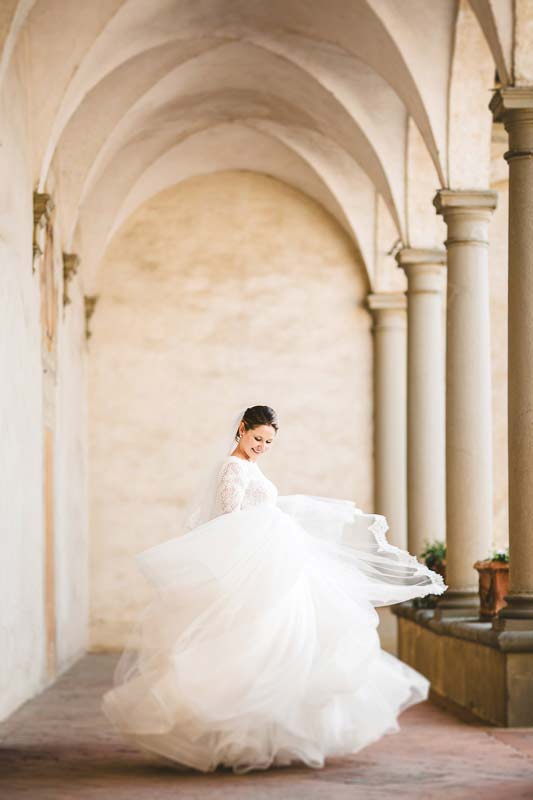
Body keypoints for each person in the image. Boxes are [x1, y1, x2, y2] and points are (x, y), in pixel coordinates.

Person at [102, 404, 446, 774]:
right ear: (241, 429)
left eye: (268, 441)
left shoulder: (250, 466)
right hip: (256, 563)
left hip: (274, 559)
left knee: (284, 640)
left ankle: (267, 735)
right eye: (257, 438)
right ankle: (236, 735)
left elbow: (261, 506)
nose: (262, 446)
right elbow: (229, 519)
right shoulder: (233, 467)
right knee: (254, 643)